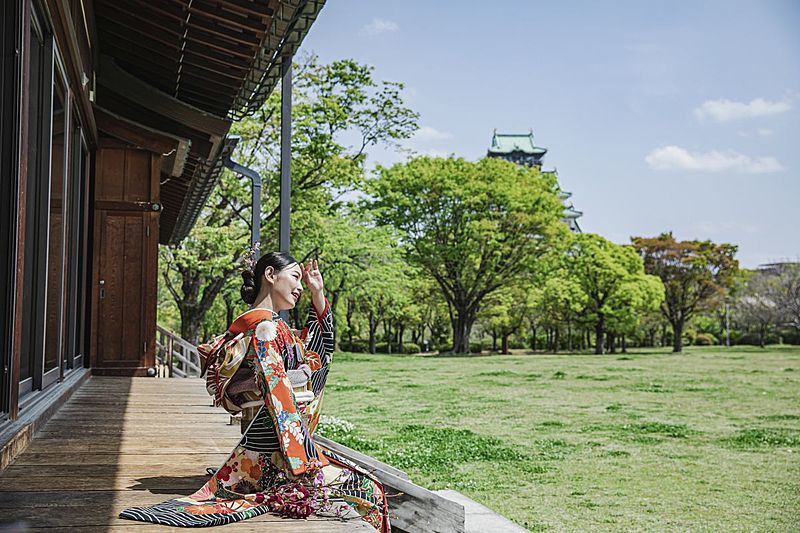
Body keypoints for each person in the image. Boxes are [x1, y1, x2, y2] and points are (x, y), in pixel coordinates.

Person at [120, 251, 390, 531]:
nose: (300, 287)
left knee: (370, 489)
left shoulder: (267, 326)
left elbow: (314, 353)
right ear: (271, 276)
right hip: (279, 456)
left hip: (274, 448)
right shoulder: (265, 329)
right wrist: (304, 459)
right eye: (295, 277)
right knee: (371, 492)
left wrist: (317, 293)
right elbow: (278, 390)